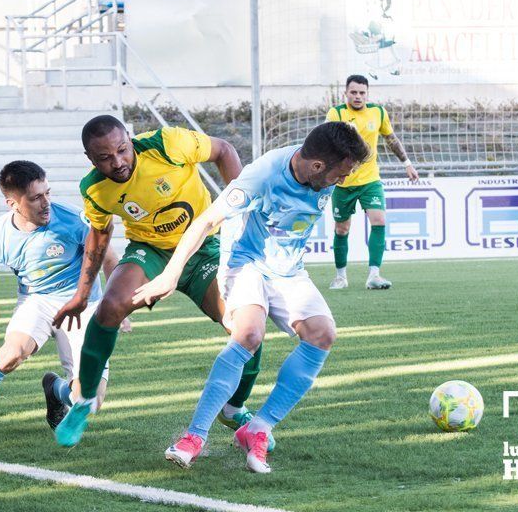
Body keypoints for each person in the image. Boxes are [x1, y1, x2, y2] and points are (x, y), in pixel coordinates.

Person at [134, 122, 370, 473]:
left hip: (287, 270)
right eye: (341, 174)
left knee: (322, 334)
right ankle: (194, 436)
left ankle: (257, 429)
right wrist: (169, 275)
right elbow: (205, 222)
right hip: (245, 263)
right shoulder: (262, 176)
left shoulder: (318, 164)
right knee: (248, 334)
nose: (343, 181)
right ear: (318, 166)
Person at [53, 116, 269, 449]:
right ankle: (82, 402)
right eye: (105, 157)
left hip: (204, 248)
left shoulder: (167, 144)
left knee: (246, 327)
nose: (118, 162)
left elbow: (224, 150)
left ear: (129, 139)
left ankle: (234, 407)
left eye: (122, 150)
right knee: (110, 306)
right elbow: (99, 233)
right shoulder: (94, 188)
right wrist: (83, 294)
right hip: (151, 252)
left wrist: (242, 214)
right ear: (90, 158)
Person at [0, 160, 126, 447]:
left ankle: (56, 390)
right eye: (36, 198)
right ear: (12, 203)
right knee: (11, 353)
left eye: (48, 193)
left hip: (83, 303)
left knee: (89, 402)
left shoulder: (73, 219)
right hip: (37, 301)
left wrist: (118, 303)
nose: (46, 203)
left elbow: (110, 259)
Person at [326, 74, 418, 290]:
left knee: (379, 220)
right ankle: (341, 277)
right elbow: (326, 143)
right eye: (353, 92)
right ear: (345, 93)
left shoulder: (378, 112)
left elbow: (391, 138)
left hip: (370, 180)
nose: (358, 96)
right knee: (342, 229)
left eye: (362, 93)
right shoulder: (336, 113)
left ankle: (374, 275)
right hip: (343, 182)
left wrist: (407, 163)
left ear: (367, 94)